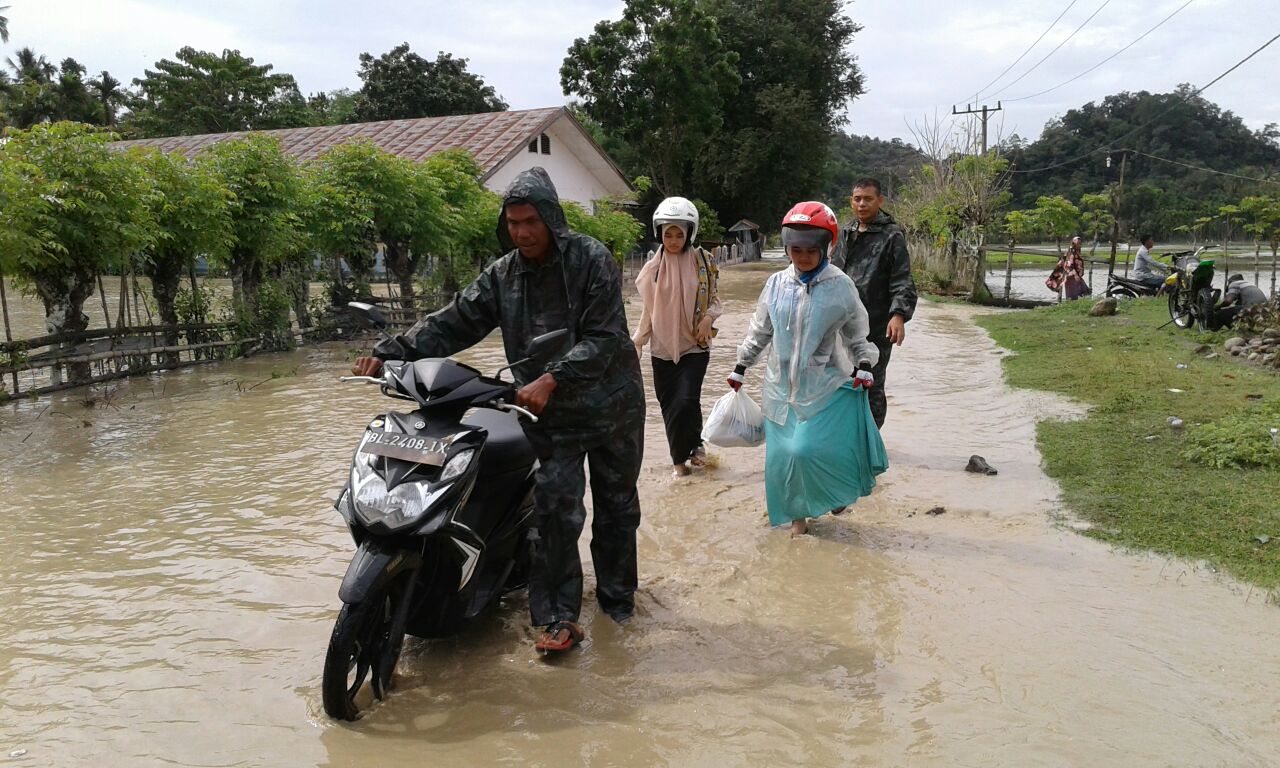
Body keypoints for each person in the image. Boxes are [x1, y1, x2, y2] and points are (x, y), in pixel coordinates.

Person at [350, 167, 645, 654]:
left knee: (617, 510)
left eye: (531, 221)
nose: (522, 232)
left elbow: (606, 336)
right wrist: (391, 352)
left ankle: (618, 602)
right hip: (550, 418)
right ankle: (556, 617)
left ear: (552, 219)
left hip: (612, 407)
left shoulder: (590, 259)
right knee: (555, 511)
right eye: (513, 223)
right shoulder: (504, 275)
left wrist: (553, 377)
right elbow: (456, 320)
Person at [728, 202, 887, 536]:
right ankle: (798, 523)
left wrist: (864, 364)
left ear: (826, 247)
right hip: (778, 387)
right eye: (795, 250)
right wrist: (742, 366)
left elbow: (858, 333)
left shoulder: (840, 286)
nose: (802, 257)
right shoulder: (775, 285)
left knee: (807, 450)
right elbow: (760, 331)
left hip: (824, 386)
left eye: (810, 251)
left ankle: (835, 491)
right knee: (783, 460)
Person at [633, 196, 722, 477]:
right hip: (661, 349)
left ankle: (695, 445)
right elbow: (650, 311)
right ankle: (679, 464)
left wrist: (708, 319)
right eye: (667, 234)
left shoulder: (703, 263)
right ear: (659, 234)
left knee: (686, 400)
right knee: (670, 406)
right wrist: (637, 341)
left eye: (679, 234)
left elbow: (717, 301)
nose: (672, 240)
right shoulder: (652, 269)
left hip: (694, 346)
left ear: (689, 234)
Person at [831, 178, 918, 429]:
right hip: (841, 324)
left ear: (880, 201)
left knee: (871, 383)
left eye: (868, 199)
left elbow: (902, 279)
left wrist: (898, 315)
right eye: (857, 199)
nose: (861, 204)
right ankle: (845, 438)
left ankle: (870, 444)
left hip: (875, 325)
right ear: (851, 201)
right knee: (839, 380)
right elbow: (831, 275)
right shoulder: (845, 233)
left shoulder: (892, 236)